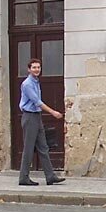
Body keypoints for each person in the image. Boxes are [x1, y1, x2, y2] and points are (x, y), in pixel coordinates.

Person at [18, 58, 69, 186]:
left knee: (43, 147)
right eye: (34, 67)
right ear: (29, 69)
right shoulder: (27, 84)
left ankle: (50, 176)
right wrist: (53, 112)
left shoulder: (36, 82)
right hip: (29, 117)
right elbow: (37, 102)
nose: (37, 70)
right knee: (29, 148)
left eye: (38, 67)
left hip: (36, 116)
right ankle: (24, 177)